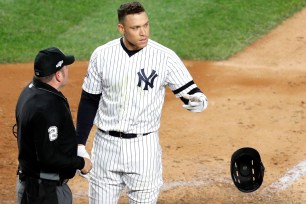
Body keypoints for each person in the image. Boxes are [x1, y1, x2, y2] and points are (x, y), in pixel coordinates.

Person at [76, 1, 208, 203]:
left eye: (146, 25)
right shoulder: (102, 55)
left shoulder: (164, 57)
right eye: (136, 28)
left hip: (143, 149)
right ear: (121, 28)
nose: (143, 32)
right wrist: (79, 144)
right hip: (105, 148)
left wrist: (198, 101)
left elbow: (191, 92)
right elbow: (89, 100)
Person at [15, 47, 92, 204]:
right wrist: (81, 163)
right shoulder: (49, 106)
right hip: (46, 192)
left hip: (29, 182)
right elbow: (48, 157)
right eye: (65, 66)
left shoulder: (30, 91)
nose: (68, 69)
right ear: (58, 75)